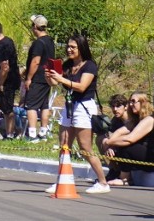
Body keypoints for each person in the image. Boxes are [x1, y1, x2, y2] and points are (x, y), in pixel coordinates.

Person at [45, 34, 109, 194]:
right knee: (64, 144)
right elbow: (56, 83)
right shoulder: (67, 65)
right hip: (69, 105)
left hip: (84, 106)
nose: (69, 49)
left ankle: (102, 182)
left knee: (85, 147)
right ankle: (62, 179)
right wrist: (50, 78)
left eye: (73, 47)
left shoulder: (89, 66)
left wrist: (60, 79)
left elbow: (81, 86)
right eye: (68, 46)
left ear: (81, 48)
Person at [102, 92, 154, 186]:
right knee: (117, 144)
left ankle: (125, 179)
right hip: (147, 156)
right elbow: (119, 132)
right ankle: (115, 171)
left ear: (143, 102)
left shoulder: (150, 119)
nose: (130, 104)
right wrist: (110, 145)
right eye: (130, 101)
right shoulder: (137, 120)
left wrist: (109, 142)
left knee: (126, 146)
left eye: (134, 102)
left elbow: (129, 139)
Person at [21, 14, 55, 141]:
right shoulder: (50, 41)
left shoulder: (38, 43)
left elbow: (35, 61)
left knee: (31, 106)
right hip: (47, 77)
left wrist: (29, 78)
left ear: (35, 27)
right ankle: (43, 132)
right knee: (44, 105)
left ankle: (32, 134)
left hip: (37, 78)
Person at [0, 21, 21, 139]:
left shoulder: (0, 46)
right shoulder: (9, 41)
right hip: (13, 79)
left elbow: (5, 67)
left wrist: (0, 83)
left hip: (6, 82)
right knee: (7, 108)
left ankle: (10, 133)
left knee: (7, 109)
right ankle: (10, 132)